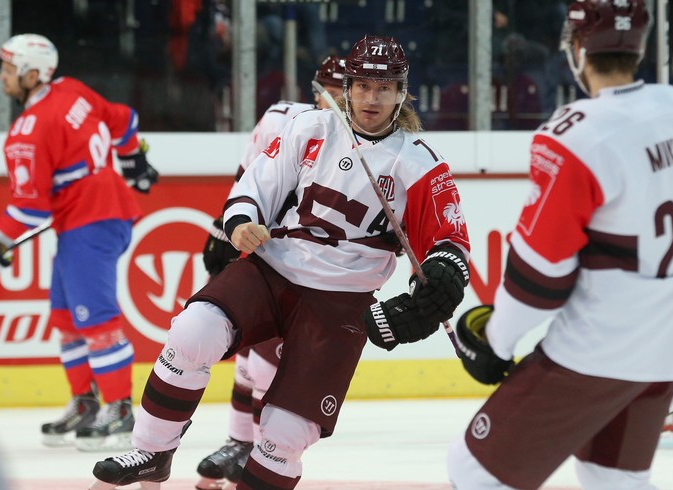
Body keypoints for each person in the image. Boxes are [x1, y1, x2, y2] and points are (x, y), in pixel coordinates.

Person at [90, 35, 470, 490]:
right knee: (193, 330)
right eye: (363, 85)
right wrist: (242, 221)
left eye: (383, 87)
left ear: (401, 93)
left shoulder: (421, 163)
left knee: (285, 435)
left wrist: (437, 286)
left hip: (340, 300)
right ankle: (152, 453)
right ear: (347, 87)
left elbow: (451, 245)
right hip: (273, 270)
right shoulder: (308, 128)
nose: (372, 97)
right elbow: (256, 185)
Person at [446, 1, 673, 489]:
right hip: (671, 344)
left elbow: (540, 276)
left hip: (601, 346)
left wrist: (497, 343)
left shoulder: (574, 134)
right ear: (641, 45)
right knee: (612, 478)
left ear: (576, 49)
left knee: (474, 469)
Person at [0, 34, 157, 452]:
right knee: (67, 318)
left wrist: (0, 240)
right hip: (94, 216)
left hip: (90, 221)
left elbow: (29, 209)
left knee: (96, 320)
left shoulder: (26, 131)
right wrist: (133, 160)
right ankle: (86, 401)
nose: (3, 77)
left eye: (9, 70)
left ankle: (119, 408)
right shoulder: (72, 90)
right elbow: (124, 119)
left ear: (34, 73)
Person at [194, 55, 346, 490]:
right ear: (316, 91)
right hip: (265, 253)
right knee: (247, 356)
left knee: (266, 367)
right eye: (329, 95)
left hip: (309, 269)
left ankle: (263, 453)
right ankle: (239, 442)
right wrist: (221, 231)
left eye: (342, 95)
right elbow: (249, 180)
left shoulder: (361, 144)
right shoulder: (281, 118)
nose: (334, 104)